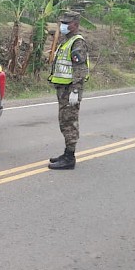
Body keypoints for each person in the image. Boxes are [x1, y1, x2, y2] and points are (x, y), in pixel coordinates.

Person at [48, 10, 90, 170]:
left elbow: (79, 69)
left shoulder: (77, 42)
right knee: (63, 121)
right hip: (63, 89)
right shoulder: (67, 40)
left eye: (67, 23)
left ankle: (69, 158)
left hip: (70, 90)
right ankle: (66, 154)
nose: (63, 25)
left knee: (69, 122)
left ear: (76, 25)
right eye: (62, 22)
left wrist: (75, 91)